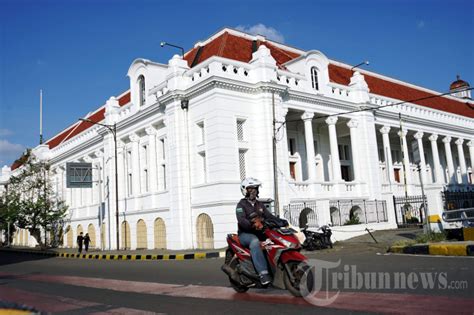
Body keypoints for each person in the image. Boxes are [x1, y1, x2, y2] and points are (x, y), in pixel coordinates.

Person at [235, 177, 286, 286]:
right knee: (255, 242)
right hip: (245, 235)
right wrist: (253, 225)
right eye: (250, 189)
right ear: (244, 190)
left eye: (255, 188)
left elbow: (269, 216)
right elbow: (242, 220)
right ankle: (263, 274)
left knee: (274, 241)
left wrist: (281, 221)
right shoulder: (241, 205)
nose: (254, 191)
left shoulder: (259, 205)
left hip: (260, 233)